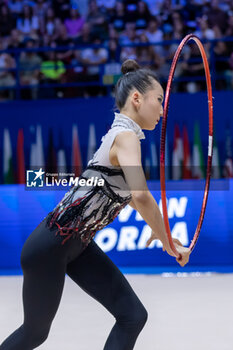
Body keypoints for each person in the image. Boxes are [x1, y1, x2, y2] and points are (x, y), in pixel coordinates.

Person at [0, 59, 190, 350]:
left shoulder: (122, 134)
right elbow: (140, 195)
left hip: (77, 245)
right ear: (137, 99)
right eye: (159, 100)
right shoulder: (126, 136)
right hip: (49, 247)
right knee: (34, 333)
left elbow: (128, 197)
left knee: (132, 315)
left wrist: (161, 232)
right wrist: (167, 240)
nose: (163, 110)